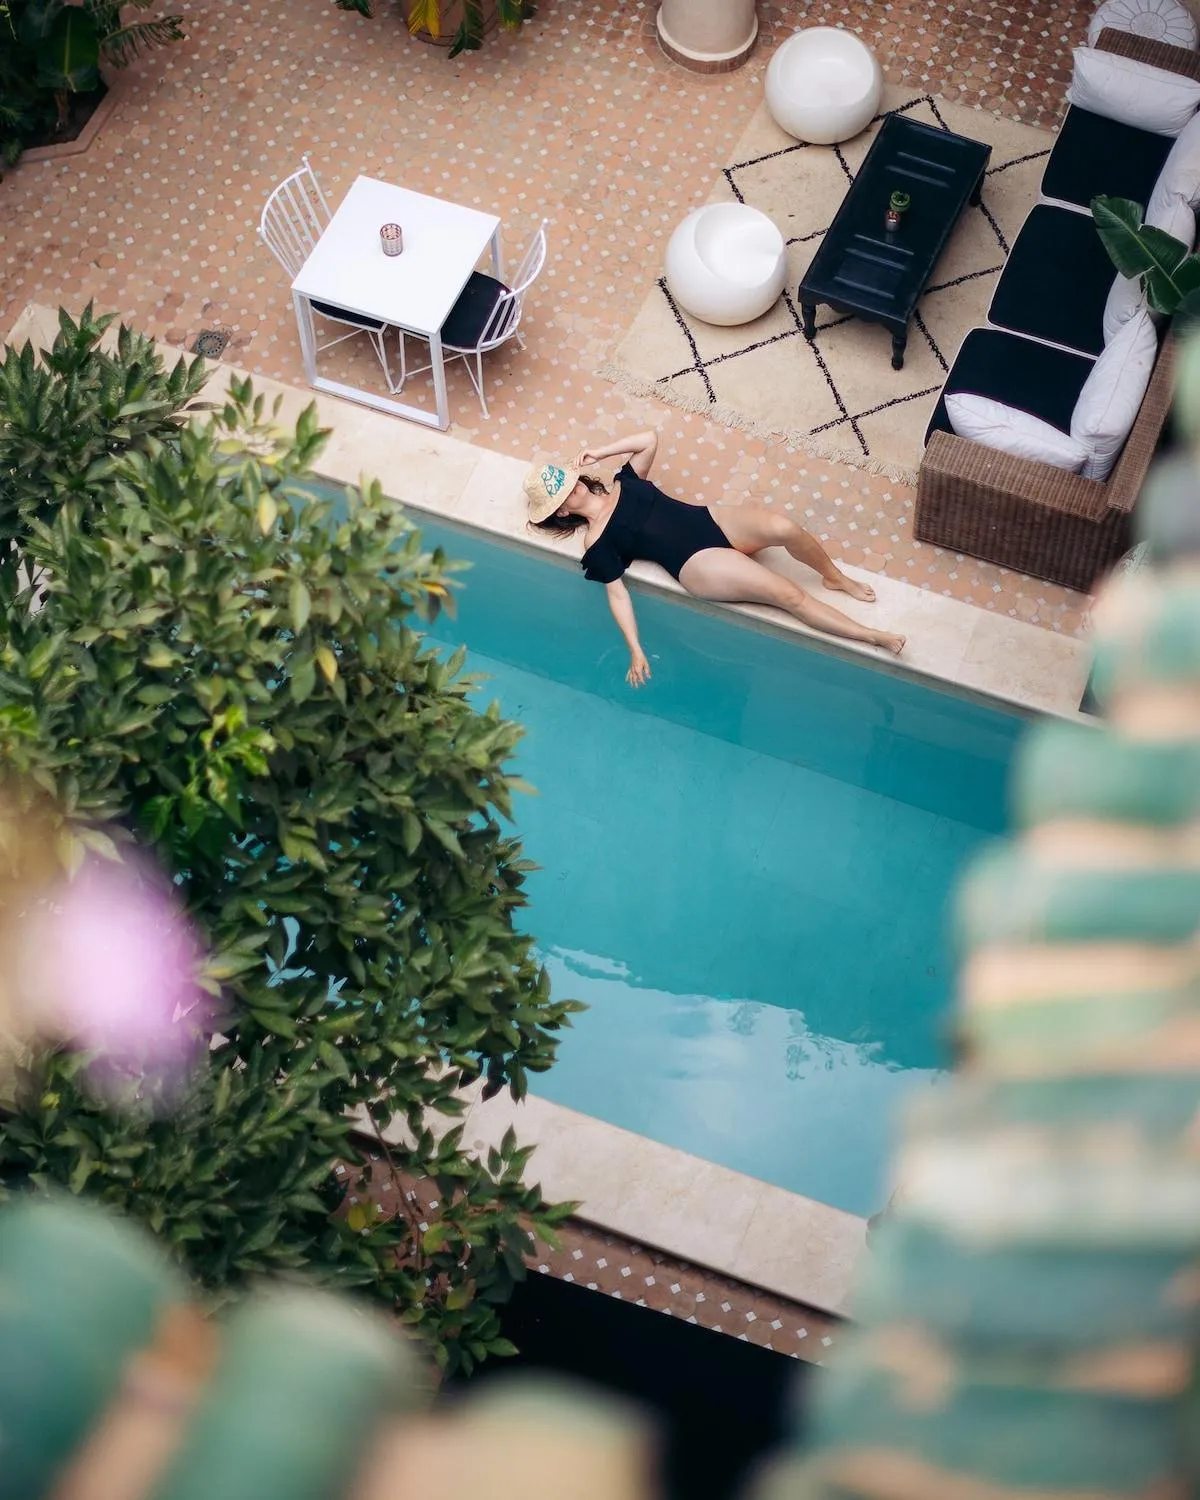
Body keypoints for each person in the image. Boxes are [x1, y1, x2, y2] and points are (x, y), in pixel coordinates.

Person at [523, 429, 905, 686]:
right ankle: (872, 637)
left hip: (710, 521)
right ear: (559, 512)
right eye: (561, 494)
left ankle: (835, 577)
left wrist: (599, 452)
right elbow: (617, 594)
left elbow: (649, 438)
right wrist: (635, 648)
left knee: (785, 528)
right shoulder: (596, 541)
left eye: (567, 480)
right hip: (697, 563)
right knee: (788, 596)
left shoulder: (626, 480)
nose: (570, 488)